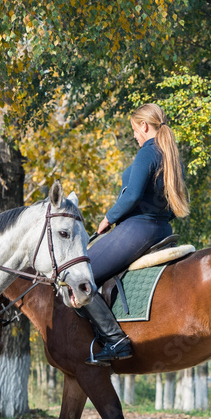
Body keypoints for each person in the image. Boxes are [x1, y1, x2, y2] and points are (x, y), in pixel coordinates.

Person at [81, 103, 189, 365]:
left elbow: (132, 195)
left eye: (134, 129)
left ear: (144, 125)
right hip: (162, 228)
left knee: (81, 276)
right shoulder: (171, 155)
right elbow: (178, 201)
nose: (134, 135)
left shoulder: (148, 152)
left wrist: (108, 218)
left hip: (137, 228)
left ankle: (115, 340)